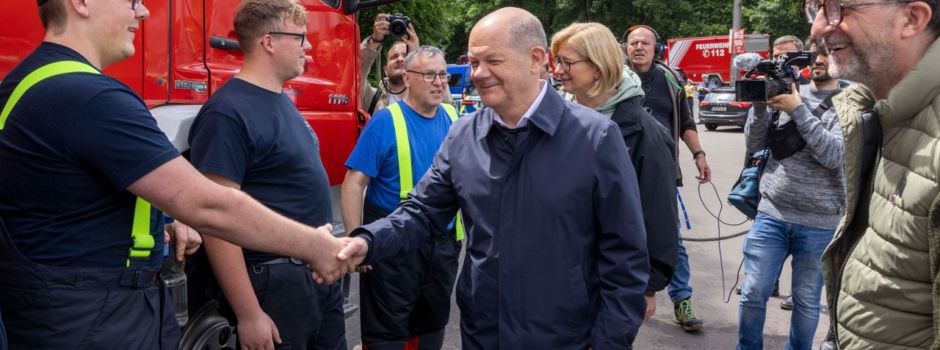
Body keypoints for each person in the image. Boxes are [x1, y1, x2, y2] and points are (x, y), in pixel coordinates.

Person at [0, 0, 350, 348]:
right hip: (96, 319)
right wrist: (313, 245)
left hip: (55, 309)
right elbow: (207, 206)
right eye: (132, 1)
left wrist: (162, 220)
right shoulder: (90, 96)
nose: (144, 11)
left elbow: (60, 201)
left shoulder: (24, 84)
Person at [339, 7, 650, 349]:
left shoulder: (596, 138)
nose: (477, 74)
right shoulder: (463, 136)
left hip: (565, 339)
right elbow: (421, 214)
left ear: (535, 60)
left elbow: (625, 259)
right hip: (483, 335)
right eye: (473, 62)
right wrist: (366, 241)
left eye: (492, 61)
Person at [187, 1, 346, 349]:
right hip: (271, 286)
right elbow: (216, 221)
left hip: (311, 279)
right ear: (269, 42)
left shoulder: (281, 102)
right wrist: (249, 313)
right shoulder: (226, 113)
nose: (308, 47)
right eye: (300, 37)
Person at [808, 0, 940, 348]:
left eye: (838, 9)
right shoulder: (874, 108)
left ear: (912, 19)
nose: (818, 28)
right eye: (815, 8)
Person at [550, 22, 678, 322]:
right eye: (556, 61)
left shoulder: (646, 134)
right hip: (559, 276)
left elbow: (658, 216)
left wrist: (648, 286)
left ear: (598, 66)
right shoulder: (555, 119)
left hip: (608, 285)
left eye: (567, 62)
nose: (557, 71)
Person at [341, 45, 461, 350]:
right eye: (429, 74)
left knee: (432, 323)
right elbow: (354, 184)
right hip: (393, 247)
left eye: (443, 75)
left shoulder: (452, 116)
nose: (439, 82)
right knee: (388, 333)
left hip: (441, 245)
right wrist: (358, 239)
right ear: (407, 77)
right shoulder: (386, 121)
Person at [737, 38, 846, 350]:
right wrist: (760, 106)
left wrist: (798, 109)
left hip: (820, 221)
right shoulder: (784, 89)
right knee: (753, 291)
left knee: (806, 300)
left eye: (827, 52)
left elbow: (834, 154)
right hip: (772, 211)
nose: (819, 59)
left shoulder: (850, 101)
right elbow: (755, 145)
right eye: (815, 53)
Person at [623, 24, 710, 332]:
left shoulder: (670, 80)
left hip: (660, 176)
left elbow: (686, 121)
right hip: (620, 174)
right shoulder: (615, 78)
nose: (638, 48)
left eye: (645, 43)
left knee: (670, 239)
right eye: (633, 43)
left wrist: (698, 155)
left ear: (656, 49)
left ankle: (682, 299)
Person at [360, 13, 419, 115]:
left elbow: (441, 91)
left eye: (405, 56)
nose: (400, 59)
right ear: (385, 70)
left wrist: (418, 54)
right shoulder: (371, 98)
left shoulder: (426, 97)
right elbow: (356, 72)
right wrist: (374, 40)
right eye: (394, 56)